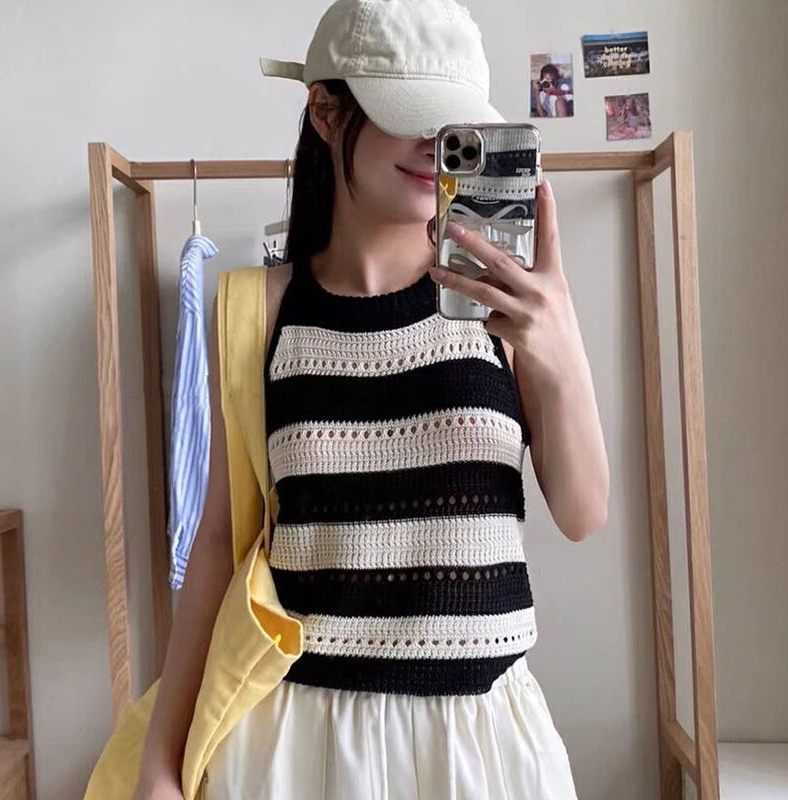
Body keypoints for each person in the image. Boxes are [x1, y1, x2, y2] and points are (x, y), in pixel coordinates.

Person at [134, 1, 608, 798]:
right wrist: (161, 760)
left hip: (481, 746)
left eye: (454, 125)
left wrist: (557, 346)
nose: (435, 145)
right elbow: (217, 544)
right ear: (326, 112)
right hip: (297, 744)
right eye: (409, 115)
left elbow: (584, 511)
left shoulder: (509, 304)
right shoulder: (255, 310)